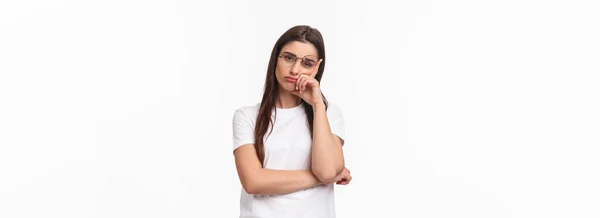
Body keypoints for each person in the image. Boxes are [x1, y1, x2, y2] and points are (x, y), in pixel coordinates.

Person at [231, 25, 352, 218]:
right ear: (276, 59)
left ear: (317, 67)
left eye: (307, 63)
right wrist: (323, 178)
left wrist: (317, 104)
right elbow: (253, 182)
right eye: (288, 58)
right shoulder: (246, 116)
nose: (295, 70)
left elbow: (327, 171)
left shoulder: (328, 113)